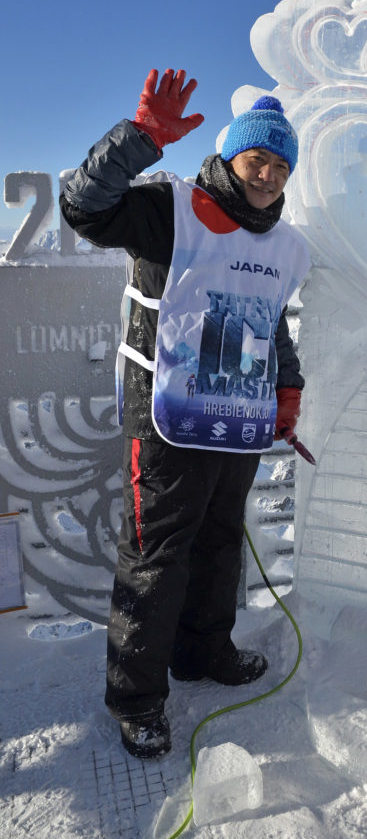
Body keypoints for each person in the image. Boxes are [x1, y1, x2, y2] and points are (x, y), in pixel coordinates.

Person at [60, 69, 311, 759]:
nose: (267, 174)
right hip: (166, 418)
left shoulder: (284, 245)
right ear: (231, 157)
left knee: (221, 541)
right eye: (256, 158)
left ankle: (204, 653)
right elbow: (83, 207)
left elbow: (271, 326)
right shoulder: (171, 209)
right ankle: (136, 698)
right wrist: (140, 139)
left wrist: (286, 392)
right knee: (156, 556)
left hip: (238, 421)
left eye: (280, 164)